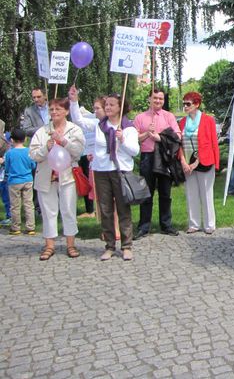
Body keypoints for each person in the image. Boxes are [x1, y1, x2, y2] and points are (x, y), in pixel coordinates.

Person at [29, 98, 85, 260]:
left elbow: (78, 151)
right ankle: (49, 245)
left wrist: (63, 141)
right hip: (46, 177)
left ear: (66, 111)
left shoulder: (74, 130)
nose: (54, 112)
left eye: (58, 109)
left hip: (67, 177)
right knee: (48, 211)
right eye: (51, 109)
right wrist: (46, 147)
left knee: (68, 209)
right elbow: (33, 154)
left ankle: (70, 244)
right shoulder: (42, 131)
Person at [93, 94, 140, 261]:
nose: (108, 107)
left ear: (120, 107)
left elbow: (134, 151)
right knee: (105, 210)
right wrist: (74, 100)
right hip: (101, 171)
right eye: (106, 104)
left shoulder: (128, 128)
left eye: (112, 105)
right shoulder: (100, 126)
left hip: (121, 171)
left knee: (123, 209)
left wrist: (122, 139)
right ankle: (109, 246)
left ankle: (126, 246)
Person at [133, 88, 182, 239]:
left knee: (165, 193)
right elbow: (134, 138)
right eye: (155, 98)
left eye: (160, 99)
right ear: (149, 99)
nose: (158, 101)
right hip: (147, 157)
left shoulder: (169, 116)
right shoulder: (140, 118)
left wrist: (159, 138)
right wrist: (147, 133)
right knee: (146, 193)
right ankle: (144, 226)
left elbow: (178, 136)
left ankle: (166, 224)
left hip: (164, 157)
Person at [179, 92, 220, 234]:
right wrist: (183, 161)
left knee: (206, 194)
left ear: (197, 104)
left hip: (205, 161)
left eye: (188, 104)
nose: (185, 106)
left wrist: (200, 162)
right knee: (191, 194)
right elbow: (179, 143)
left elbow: (212, 143)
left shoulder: (208, 120)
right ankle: (194, 223)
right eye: (184, 103)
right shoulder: (182, 122)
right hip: (187, 162)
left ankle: (209, 225)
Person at [69, 85, 106, 217]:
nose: (94, 111)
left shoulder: (119, 124)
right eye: (94, 108)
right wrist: (74, 101)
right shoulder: (96, 124)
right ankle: (104, 225)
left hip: (113, 168)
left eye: (97, 108)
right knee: (100, 196)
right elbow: (79, 120)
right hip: (98, 166)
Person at [5, 128, 36, 235]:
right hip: (28, 180)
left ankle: (16, 227)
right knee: (28, 204)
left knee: (15, 205)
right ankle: (30, 227)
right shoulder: (29, 151)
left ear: (12, 140)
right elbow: (33, 165)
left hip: (14, 181)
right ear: (25, 138)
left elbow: (7, 167)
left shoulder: (10, 153)